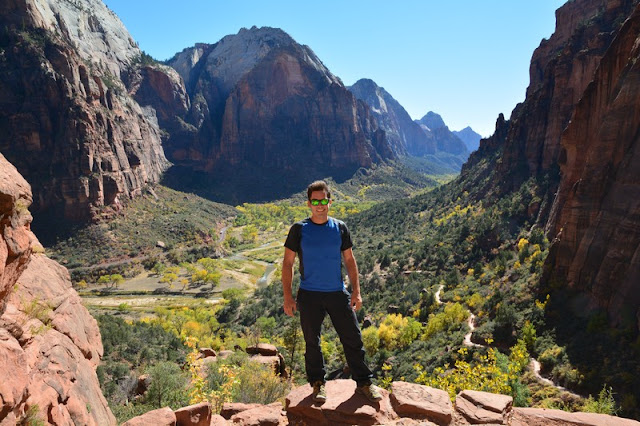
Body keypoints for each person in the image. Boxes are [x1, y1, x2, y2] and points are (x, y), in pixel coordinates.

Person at [282, 180, 382, 403]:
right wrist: (287, 297)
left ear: (329, 200)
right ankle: (318, 384)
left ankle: (365, 382)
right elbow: (287, 264)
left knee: (353, 337)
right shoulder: (299, 230)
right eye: (315, 201)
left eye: (323, 200)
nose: (320, 205)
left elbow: (350, 260)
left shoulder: (340, 227)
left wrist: (356, 292)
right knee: (312, 342)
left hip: (337, 292)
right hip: (308, 294)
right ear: (309, 203)